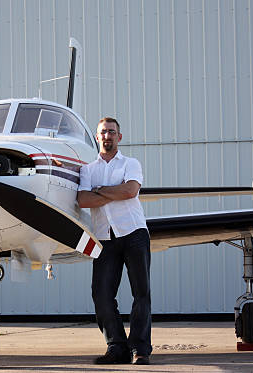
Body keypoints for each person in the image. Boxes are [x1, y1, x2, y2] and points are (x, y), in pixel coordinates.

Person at [77, 117, 152, 365]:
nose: (107, 136)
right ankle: (117, 347)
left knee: (141, 293)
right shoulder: (87, 170)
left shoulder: (131, 163)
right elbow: (83, 201)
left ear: (119, 137)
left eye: (112, 132)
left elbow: (130, 191)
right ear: (97, 137)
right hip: (104, 237)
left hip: (134, 233)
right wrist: (114, 190)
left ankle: (140, 350)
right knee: (101, 294)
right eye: (103, 132)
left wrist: (98, 191)